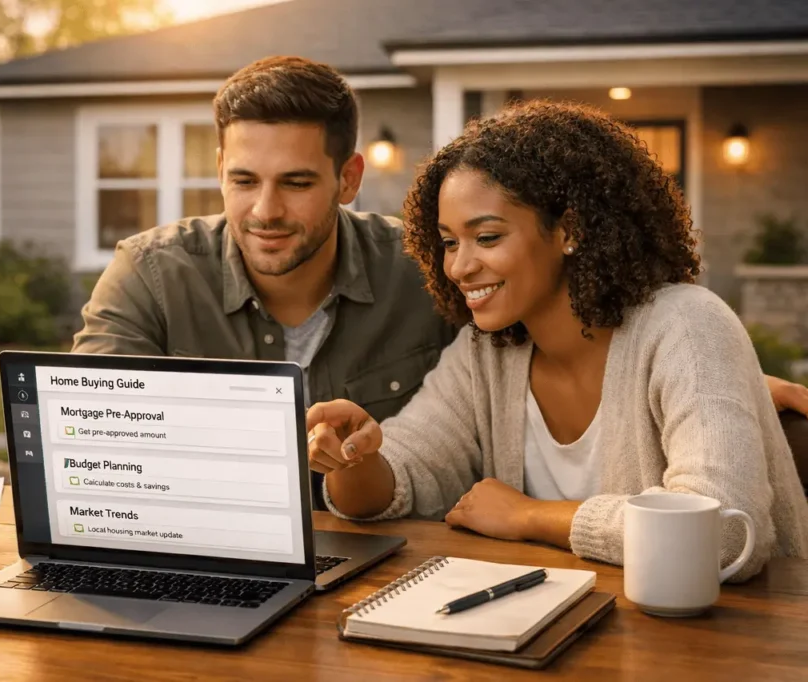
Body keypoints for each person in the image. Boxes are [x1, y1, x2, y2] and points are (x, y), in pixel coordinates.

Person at [72, 55, 808, 509]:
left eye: (296, 182)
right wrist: (360, 460)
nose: (458, 268)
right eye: (241, 181)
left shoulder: (418, 278)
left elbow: (709, 506)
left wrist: (726, 378)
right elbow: (85, 443)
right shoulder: (153, 271)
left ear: (348, 179)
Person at [305, 100, 808, 581]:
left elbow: (722, 532)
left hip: (738, 642)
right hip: (574, 632)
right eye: (449, 242)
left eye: (487, 237)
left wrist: (531, 517)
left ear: (569, 230)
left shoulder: (687, 326)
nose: (459, 266)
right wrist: (355, 459)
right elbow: (408, 472)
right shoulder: (487, 353)